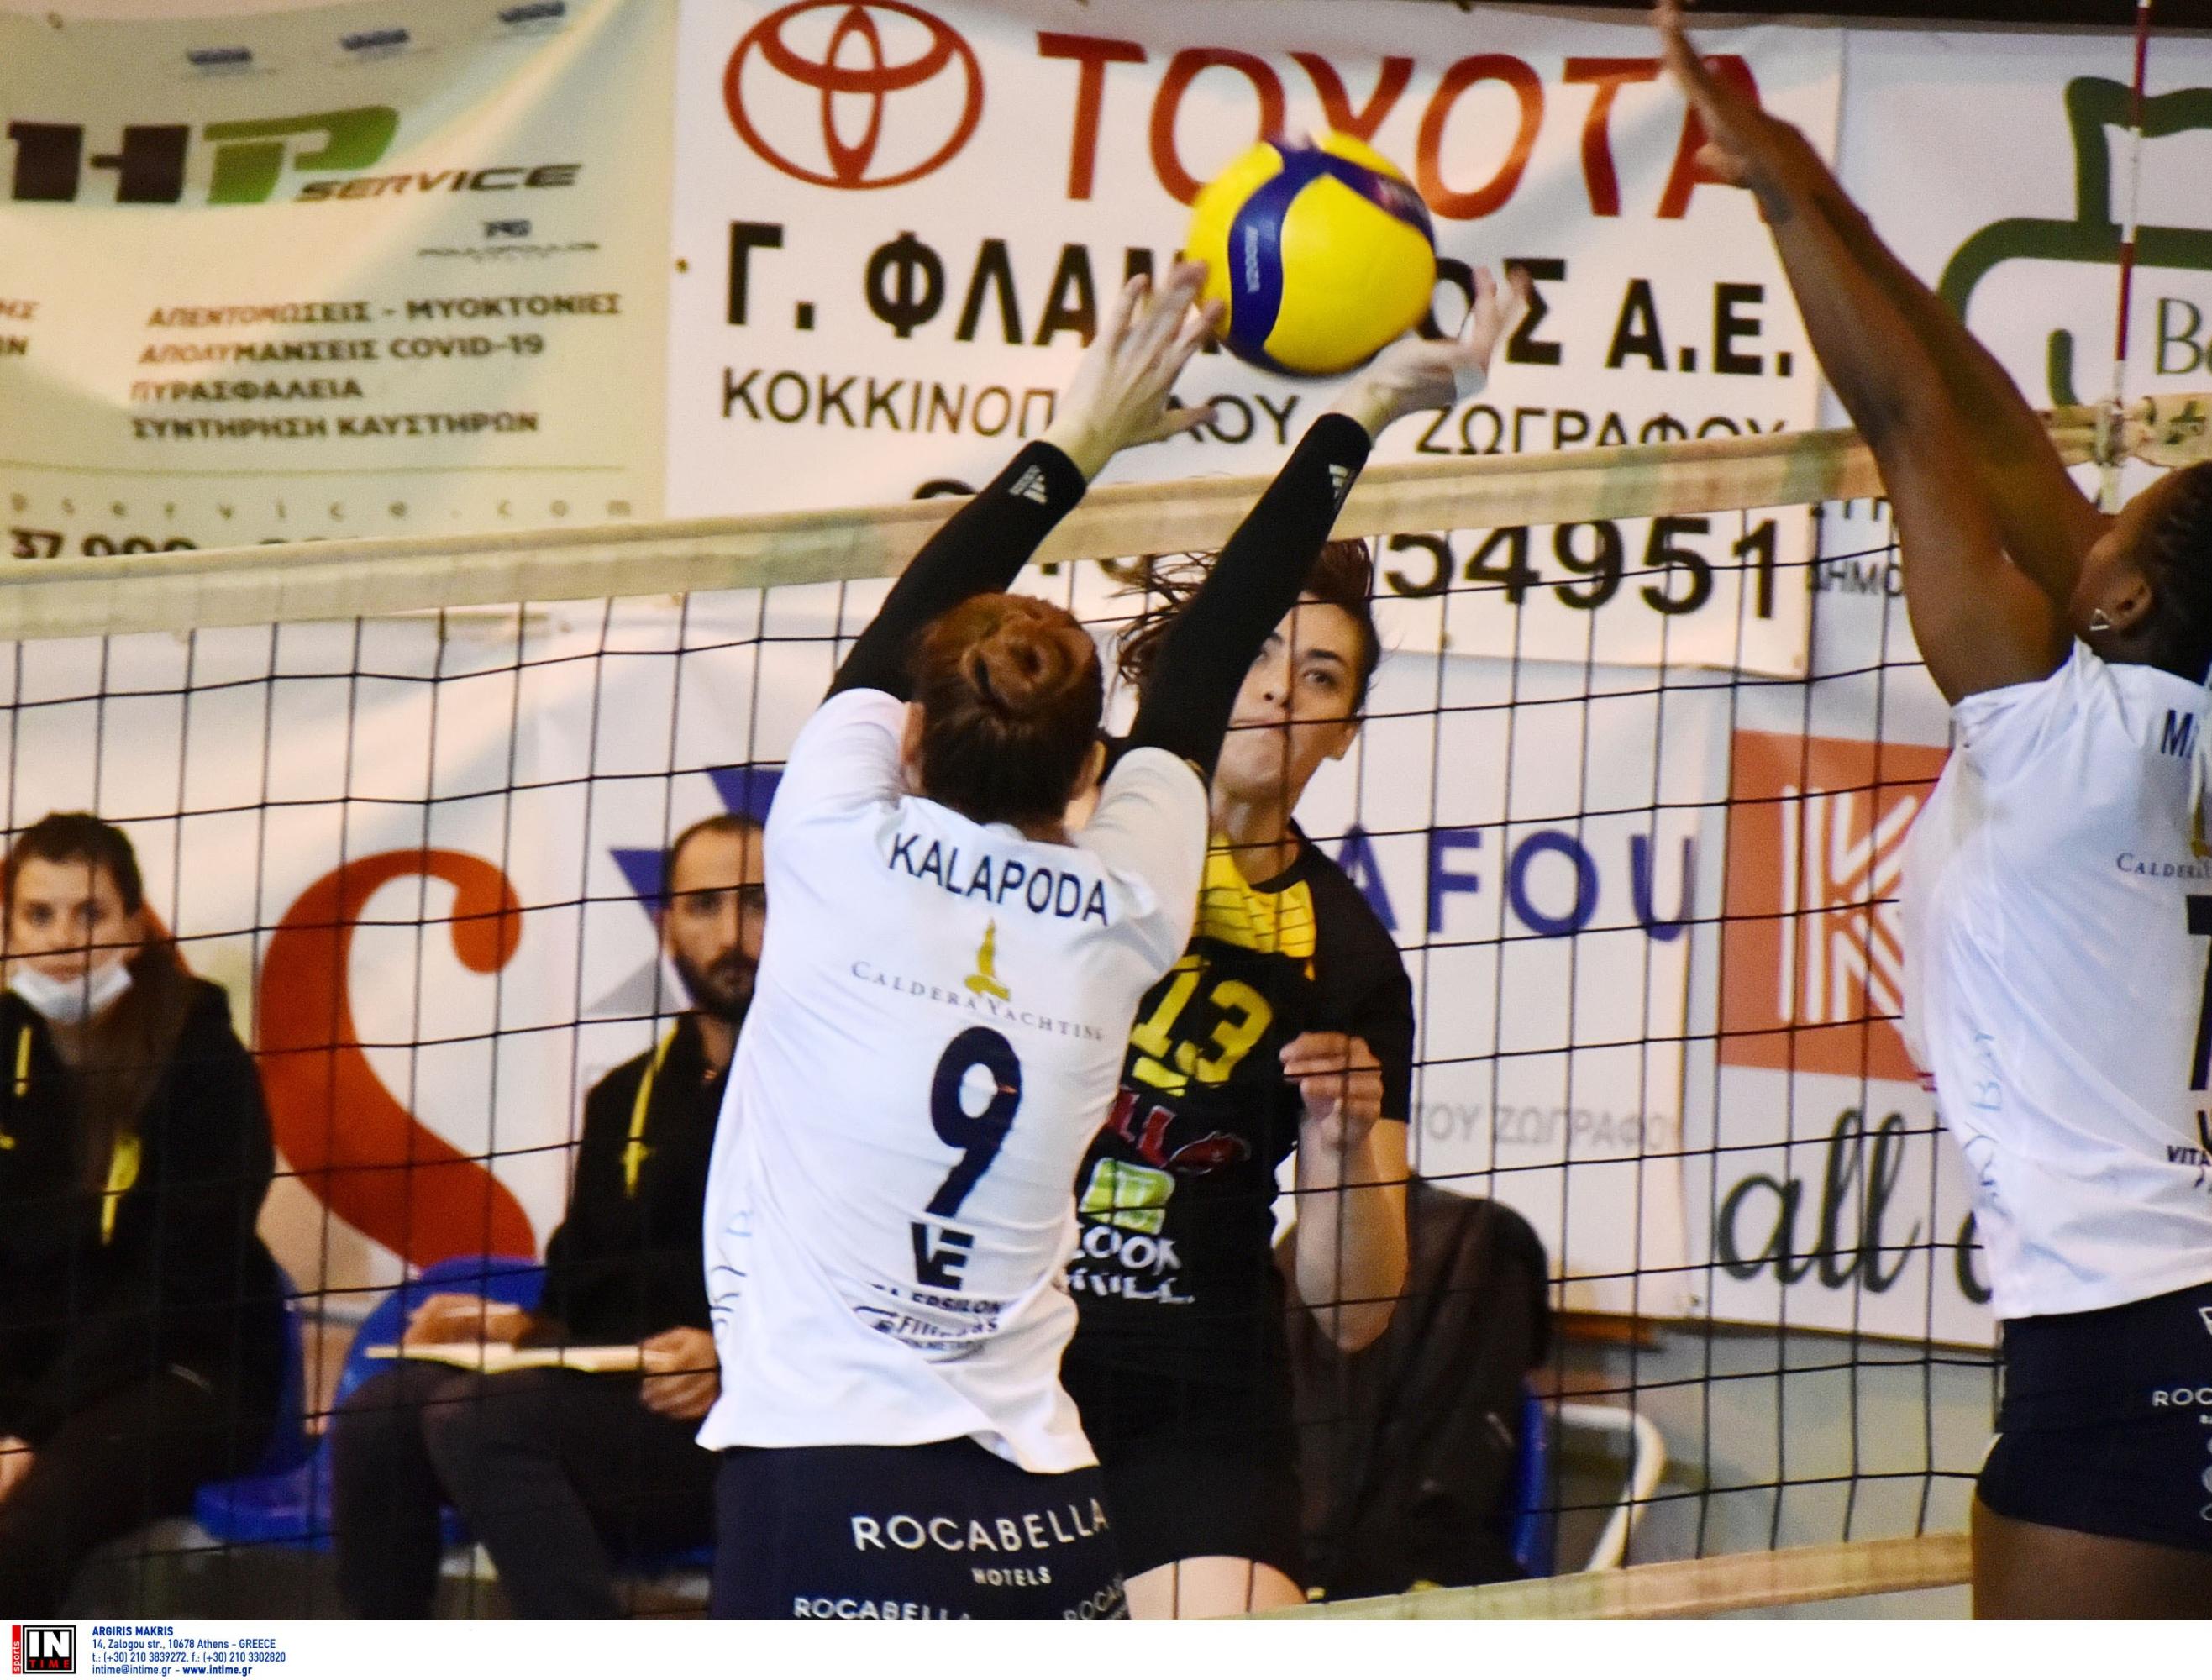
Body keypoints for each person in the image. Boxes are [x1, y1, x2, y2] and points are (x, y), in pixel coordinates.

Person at [1658, 2, 2212, 1618]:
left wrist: (1778, 204)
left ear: (2119, 599)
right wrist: (1818, 190)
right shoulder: (2203, 735)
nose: (2076, 517)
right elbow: (1985, 425)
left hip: (2135, 1361)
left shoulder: (2057, 733)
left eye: (2108, 518)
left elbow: (1909, 425)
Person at [699, 261, 1520, 1621]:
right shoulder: (1131, 908)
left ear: (909, 740)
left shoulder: (832, 842)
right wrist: (1364, 410)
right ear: (1094, 763)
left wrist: (1075, 442)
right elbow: (1197, 673)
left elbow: (935, 629)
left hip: (832, 1477)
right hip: (1047, 1503)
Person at [1060, 538, 1416, 1615]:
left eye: (1320, 675)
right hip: (992, 1348)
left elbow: (1353, 1311)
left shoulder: (1347, 955)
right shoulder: (1063, 813)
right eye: (1256, 651)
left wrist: (1341, 1145)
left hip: (1191, 1392)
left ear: (1344, 732)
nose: (1278, 689)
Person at [330, 813, 763, 1617]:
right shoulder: (625, 1096)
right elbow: (586, 1292)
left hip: (749, 1428)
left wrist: (737, 1353)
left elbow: (867, 1291)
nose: (732, 934)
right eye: (704, 906)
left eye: (759, 903)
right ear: (666, 927)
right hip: (614, 1411)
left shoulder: (837, 1089)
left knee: (479, 1422)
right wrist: (517, 1329)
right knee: (376, 1416)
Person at [0, 813, 283, 1614]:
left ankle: (40, 1667)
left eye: (89, 914)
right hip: (32, 1375)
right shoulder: (6, 1046)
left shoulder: (202, 1059)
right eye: (39, 915)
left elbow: (178, 1284)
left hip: (182, 1368)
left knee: (24, 1535)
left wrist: (29, 1431)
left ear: (132, 926)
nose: (65, 940)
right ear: (10, 930)